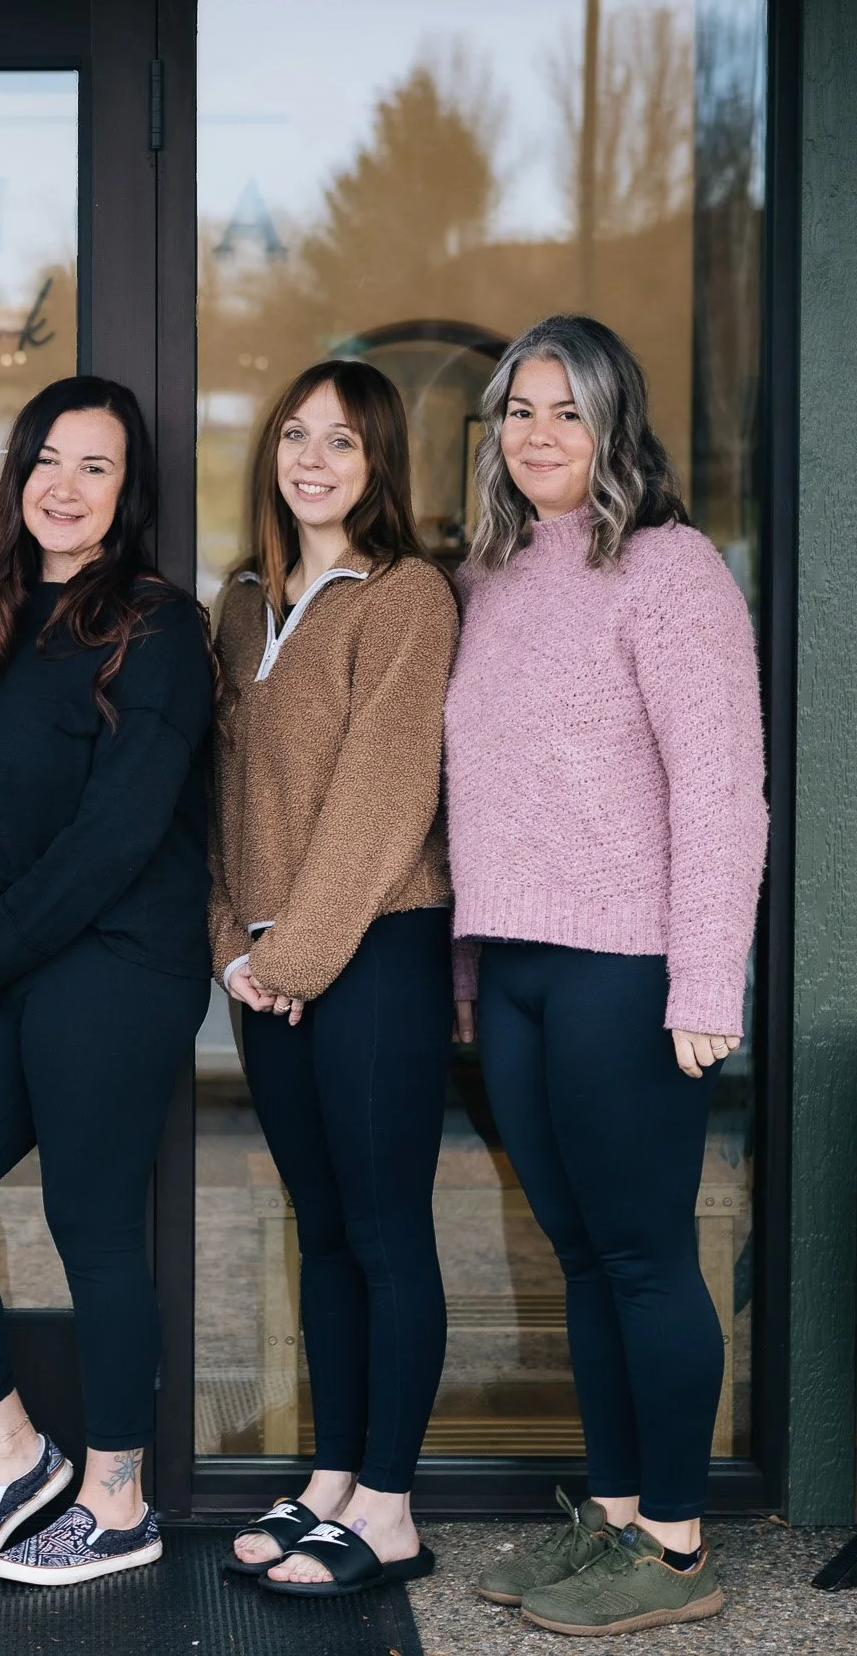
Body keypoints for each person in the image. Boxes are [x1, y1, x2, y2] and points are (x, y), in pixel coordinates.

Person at [0, 376, 214, 1588]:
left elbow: (114, 840)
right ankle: (11, 1457)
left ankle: (117, 1505)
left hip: (117, 963)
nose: (63, 487)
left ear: (131, 494)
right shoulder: (0, 617)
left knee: (90, 1227)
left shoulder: (160, 630)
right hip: (9, 961)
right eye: (46, 461)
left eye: (95, 467)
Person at [447, 315, 765, 1637]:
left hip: (626, 967)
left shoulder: (673, 570)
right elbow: (482, 794)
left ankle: (681, 1548)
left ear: (616, 424)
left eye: (567, 411)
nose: (538, 434)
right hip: (515, 965)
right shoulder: (490, 575)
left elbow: (724, 788)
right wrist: (469, 972)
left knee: (643, 1256)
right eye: (520, 409)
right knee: (581, 1256)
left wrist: (706, 983)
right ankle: (620, 1517)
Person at [211, 360, 457, 1599]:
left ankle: (391, 1509)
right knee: (321, 1231)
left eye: (343, 442)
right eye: (296, 435)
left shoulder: (406, 597)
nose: (313, 458)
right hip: (266, 967)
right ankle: (333, 1477)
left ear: (378, 466)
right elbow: (220, 800)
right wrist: (234, 952)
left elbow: (383, 795)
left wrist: (296, 954)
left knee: (380, 1230)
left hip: (373, 952)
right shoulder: (242, 601)